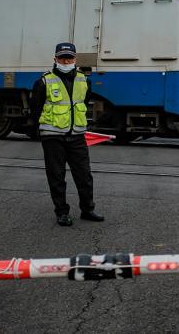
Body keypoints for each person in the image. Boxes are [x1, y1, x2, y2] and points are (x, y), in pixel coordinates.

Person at [30, 43, 105, 226]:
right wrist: (38, 132)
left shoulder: (83, 80)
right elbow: (35, 109)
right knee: (57, 176)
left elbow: (84, 102)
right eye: (62, 58)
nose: (66, 61)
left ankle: (88, 210)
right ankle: (62, 212)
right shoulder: (43, 82)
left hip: (77, 136)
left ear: (75, 60)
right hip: (52, 137)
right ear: (55, 59)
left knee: (84, 176)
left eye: (69, 58)